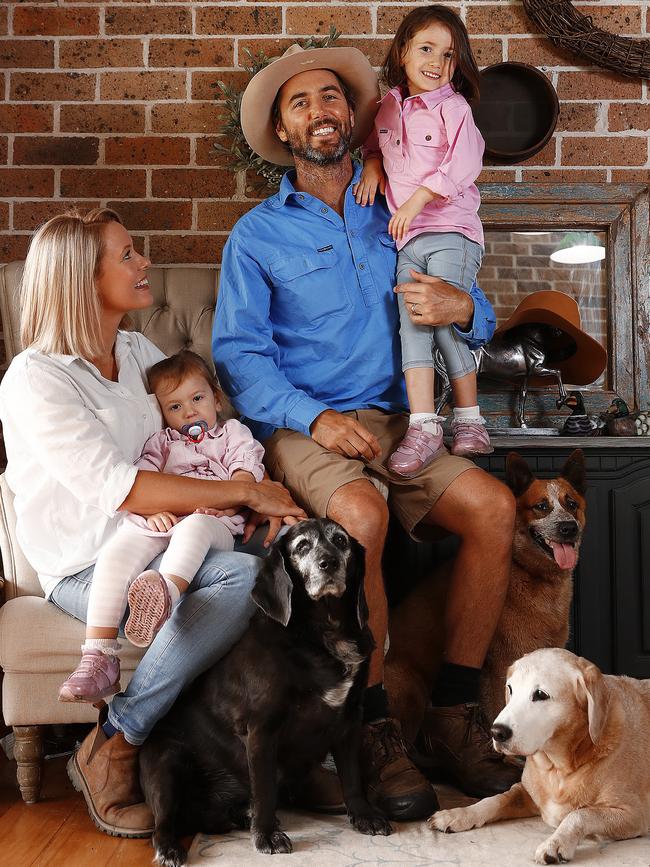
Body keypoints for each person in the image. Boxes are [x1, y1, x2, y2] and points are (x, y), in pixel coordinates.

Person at [214, 44, 520, 821]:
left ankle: (452, 714)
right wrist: (315, 417)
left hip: (402, 420)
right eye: (300, 103)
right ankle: (375, 727)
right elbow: (240, 357)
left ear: (354, 116)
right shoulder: (256, 236)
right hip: (305, 424)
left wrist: (467, 311)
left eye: (331, 97)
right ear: (283, 131)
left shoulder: (402, 205)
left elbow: (466, 303)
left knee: (493, 508)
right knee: (361, 518)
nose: (321, 110)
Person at [0, 209, 305, 838]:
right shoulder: (36, 379)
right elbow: (124, 486)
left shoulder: (137, 349)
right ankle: (114, 743)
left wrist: (254, 501)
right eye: (129, 255)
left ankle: (271, 759)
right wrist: (245, 491)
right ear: (83, 279)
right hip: (88, 562)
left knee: (262, 571)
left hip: (165, 536)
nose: (145, 265)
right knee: (238, 583)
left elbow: (192, 436)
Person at [58, 349, 266, 704]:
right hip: (165, 519)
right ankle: (98, 657)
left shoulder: (233, 434)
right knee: (120, 549)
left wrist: (222, 501)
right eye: (175, 407)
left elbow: (244, 480)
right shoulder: (162, 443)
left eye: (197, 399)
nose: (189, 412)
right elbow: (143, 479)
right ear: (163, 413)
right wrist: (153, 511)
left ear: (216, 398)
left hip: (212, 523)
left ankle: (164, 595)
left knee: (194, 526)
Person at [355, 5, 492, 471]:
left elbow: (467, 160)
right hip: (407, 239)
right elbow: (376, 145)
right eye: (427, 49)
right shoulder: (388, 105)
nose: (437, 62)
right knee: (411, 327)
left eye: (449, 55)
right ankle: (424, 425)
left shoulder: (454, 107)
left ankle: (470, 421)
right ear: (403, 52)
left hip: (450, 230)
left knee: (441, 319)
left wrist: (415, 201)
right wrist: (372, 165)